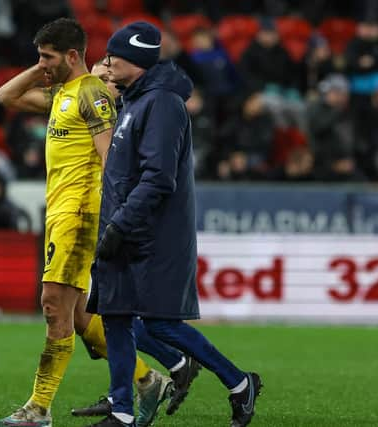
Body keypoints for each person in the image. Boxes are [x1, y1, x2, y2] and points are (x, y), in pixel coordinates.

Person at [0, 18, 175, 427]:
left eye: (48, 56)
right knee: (76, 317)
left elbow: (112, 160)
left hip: (80, 212)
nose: (42, 64)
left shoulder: (91, 94)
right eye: (39, 56)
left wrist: (120, 215)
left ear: (73, 55)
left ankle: (38, 409)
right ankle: (147, 380)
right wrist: (42, 67)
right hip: (60, 211)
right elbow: (5, 95)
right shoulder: (63, 94)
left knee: (53, 306)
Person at [86, 22, 262, 427]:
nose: (107, 64)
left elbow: (158, 177)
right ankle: (122, 411)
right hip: (124, 226)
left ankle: (238, 382)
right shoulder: (134, 100)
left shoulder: (163, 104)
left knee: (161, 322)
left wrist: (121, 224)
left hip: (151, 234)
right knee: (114, 315)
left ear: (137, 61)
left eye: (114, 57)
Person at [68, 60, 202, 422]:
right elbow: (7, 96)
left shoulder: (128, 117)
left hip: (112, 216)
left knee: (104, 311)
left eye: (105, 77)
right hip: (96, 213)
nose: (99, 84)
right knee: (95, 313)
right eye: (96, 78)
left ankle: (134, 390)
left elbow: (131, 171)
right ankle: (152, 376)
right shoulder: (103, 109)